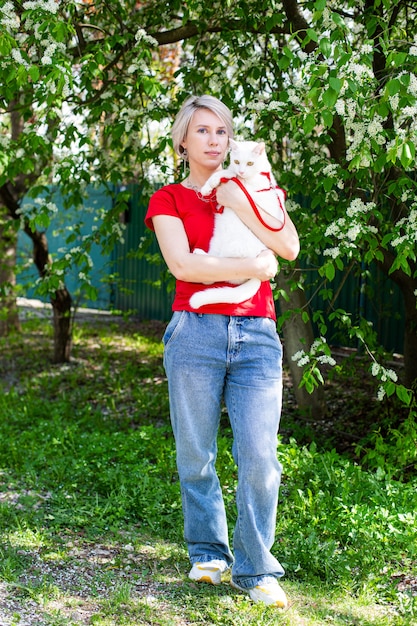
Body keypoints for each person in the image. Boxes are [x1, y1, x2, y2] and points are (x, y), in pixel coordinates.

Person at [145, 95, 300, 608]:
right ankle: (209, 553)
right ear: (183, 141)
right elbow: (183, 267)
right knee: (196, 453)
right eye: (204, 131)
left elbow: (289, 247)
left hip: (256, 334)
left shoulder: (249, 187)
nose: (215, 140)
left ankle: (255, 571)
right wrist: (252, 270)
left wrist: (239, 206)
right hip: (195, 333)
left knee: (259, 456)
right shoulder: (168, 198)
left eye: (222, 132)